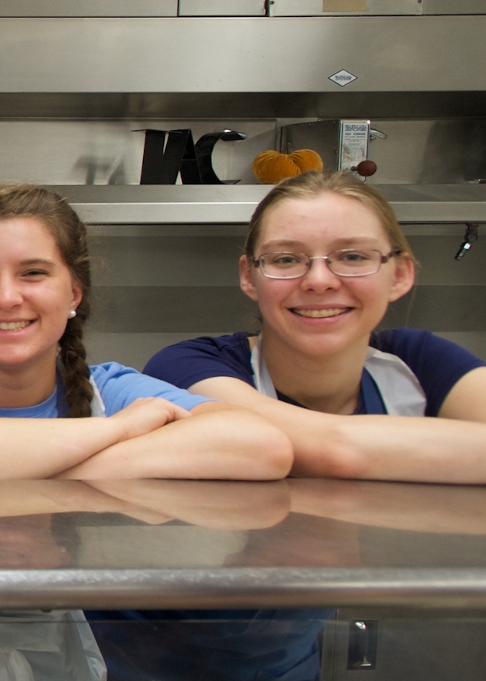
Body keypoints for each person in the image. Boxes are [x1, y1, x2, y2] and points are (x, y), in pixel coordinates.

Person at [0, 183, 293, 482]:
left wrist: (38, 472)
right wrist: (119, 430)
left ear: (73, 292)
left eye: (33, 273)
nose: (7, 297)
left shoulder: (111, 389)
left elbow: (263, 447)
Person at [145, 170, 486, 482]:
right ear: (249, 276)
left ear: (399, 275)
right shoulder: (186, 369)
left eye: (352, 256)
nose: (319, 281)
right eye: (286, 259)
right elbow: (336, 450)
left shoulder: (420, 361)